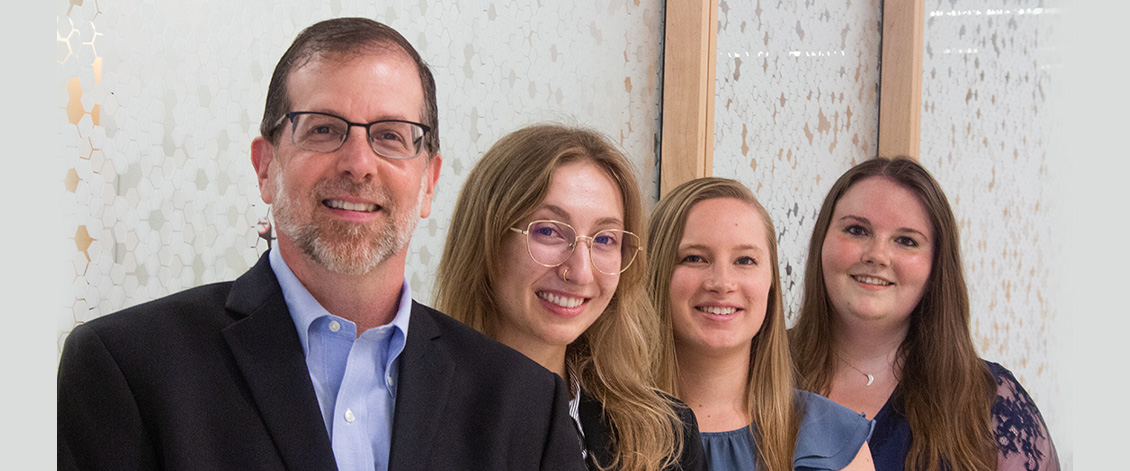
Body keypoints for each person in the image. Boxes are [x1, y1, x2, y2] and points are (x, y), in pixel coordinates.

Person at [57, 18, 585, 471]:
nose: (358, 163)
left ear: (429, 182)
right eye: (324, 130)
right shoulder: (128, 370)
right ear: (266, 167)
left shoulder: (524, 407)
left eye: (391, 135)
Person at [433, 124, 707, 471]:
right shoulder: (413, 414)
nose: (580, 272)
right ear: (486, 240)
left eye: (605, 239)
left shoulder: (668, 438)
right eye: (548, 231)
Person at [789, 157, 1060, 471]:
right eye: (856, 230)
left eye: (906, 241)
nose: (876, 254)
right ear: (822, 242)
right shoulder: (752, 372)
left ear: (936, 268)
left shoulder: (991, 402)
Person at [646, 177, 875, 471]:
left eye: (745, 260)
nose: (722, 283)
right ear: (656, 273)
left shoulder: (835, 441)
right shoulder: (600, 426)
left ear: (771, 284)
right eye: (694, 258)